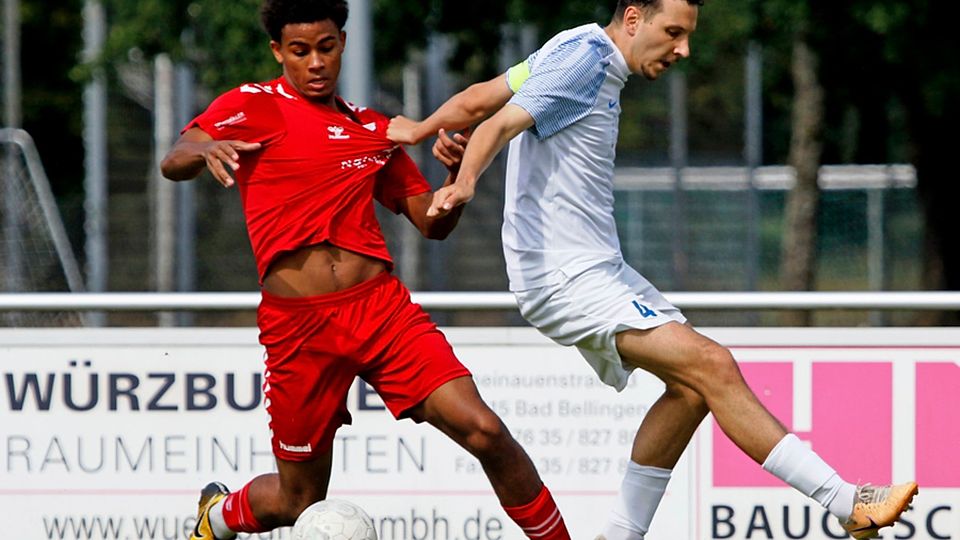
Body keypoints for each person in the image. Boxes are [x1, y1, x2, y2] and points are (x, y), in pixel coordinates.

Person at [388, 1, 918, 539]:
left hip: (598, 270)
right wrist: (466, 181)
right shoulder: (586, 60)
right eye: (673, 32)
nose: (683, 49)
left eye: (687, 36)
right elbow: (497, 122)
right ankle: (848, 503)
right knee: (713, 364)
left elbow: (481, 98)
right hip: (566, 276)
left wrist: (420, 128)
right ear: (634, 19)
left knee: (691, 389)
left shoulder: (569, 44)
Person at [160, 1, 572, 539]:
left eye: (326, 48)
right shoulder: (253, 104)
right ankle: (217, 516)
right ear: (278, 51)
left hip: (380, 313)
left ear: (343, 44)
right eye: (300, 51)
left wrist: (455, 178)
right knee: (297, 500)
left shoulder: (372, 129)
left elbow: (432, 223)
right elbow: (175, 158)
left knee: (486, 431)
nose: (315, 63)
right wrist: (207, 147)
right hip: (298, 328)